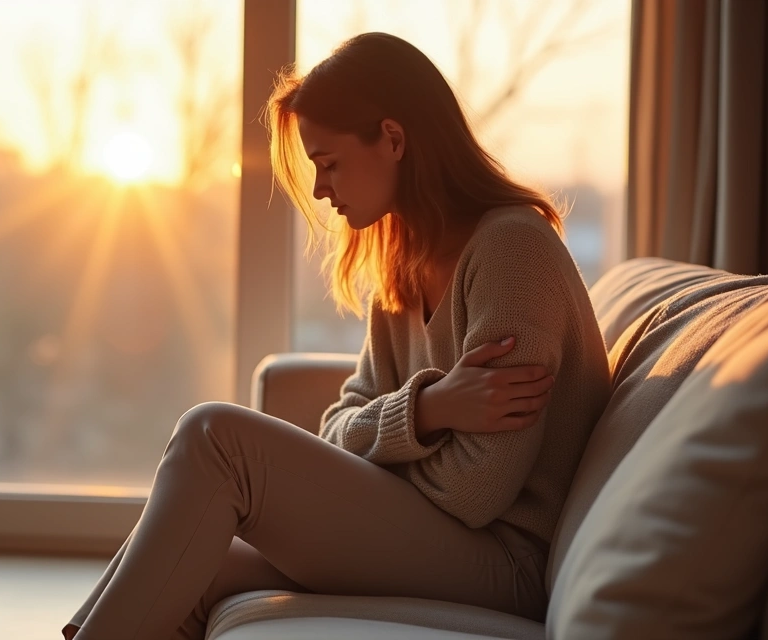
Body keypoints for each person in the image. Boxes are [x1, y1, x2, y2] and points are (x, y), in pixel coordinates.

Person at [62, 32, 611, 640]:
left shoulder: (513, 252)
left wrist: (388, 445)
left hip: (506, 565)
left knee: (214, 437)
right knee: (197, 564)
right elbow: (337, 425)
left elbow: (473, 492)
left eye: (328, 163)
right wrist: (426, 411)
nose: (321, 190)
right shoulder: (403, 265)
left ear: (393, 139)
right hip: (440, 540)